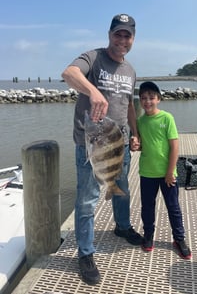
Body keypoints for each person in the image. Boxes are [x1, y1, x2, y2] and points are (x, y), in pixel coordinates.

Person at [61, 14, 143, 285]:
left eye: (127, 35)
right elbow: (69, 74)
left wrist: (136, 132)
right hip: (93, 143)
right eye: (118, 34)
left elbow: (129, 105)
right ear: (109, 34)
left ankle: (122, 227)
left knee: (121, 188)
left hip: (119, 142)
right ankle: (85, 252)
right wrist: (93, 92)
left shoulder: (130, 70)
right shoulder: (93, 58)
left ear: (132, 39)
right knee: (86, 200)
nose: (122, 40)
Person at [133, 81, 191, 259]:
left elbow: (174, 147)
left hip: (168, 173)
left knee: (173, 207)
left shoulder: (167, 118)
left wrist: (169, 172)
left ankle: (179, 239)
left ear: (158, 99)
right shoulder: (140, 121)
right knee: (147, 207)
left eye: (151, 97)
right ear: (140, 101)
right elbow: (143, 145)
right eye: (143, 98)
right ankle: (149, 235)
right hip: (147, 173)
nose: (147, 101)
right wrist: (136, 144)